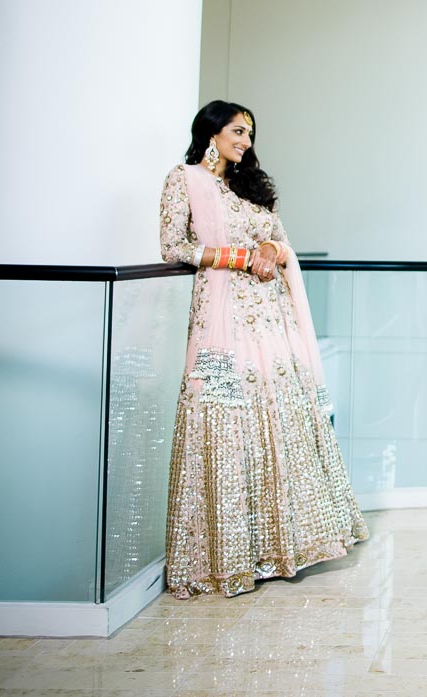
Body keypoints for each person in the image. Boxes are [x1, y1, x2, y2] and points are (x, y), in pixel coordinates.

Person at [158, 101, 367, 598]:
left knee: (280, 415)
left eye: (250, 132)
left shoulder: (249, 187)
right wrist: (240, 257)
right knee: (227, 416)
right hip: (223, 319)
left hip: (272, 319)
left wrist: (271, 252)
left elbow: (280, 240)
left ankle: (283, 545)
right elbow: (173, 247)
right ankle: (229, 556)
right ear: (211, 132)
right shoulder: (183, 179)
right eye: (237, 130)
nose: (246, 141)